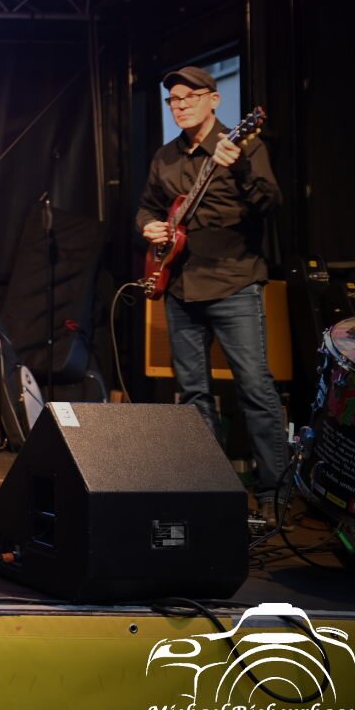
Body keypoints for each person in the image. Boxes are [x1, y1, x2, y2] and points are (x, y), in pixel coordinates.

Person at [138, 65, 286, 518]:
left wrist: (238, 166)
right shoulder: (165, 157)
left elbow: (270, 202)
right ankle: (213, 490)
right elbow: (147, 207)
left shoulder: (244, 144)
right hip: (180, 287)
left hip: (233, 282)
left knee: (255, 387)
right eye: (174, 100)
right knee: (193, 393)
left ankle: (274, 493)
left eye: (190, 97)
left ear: (214, 100)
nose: (180, 105)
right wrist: (149, 226)